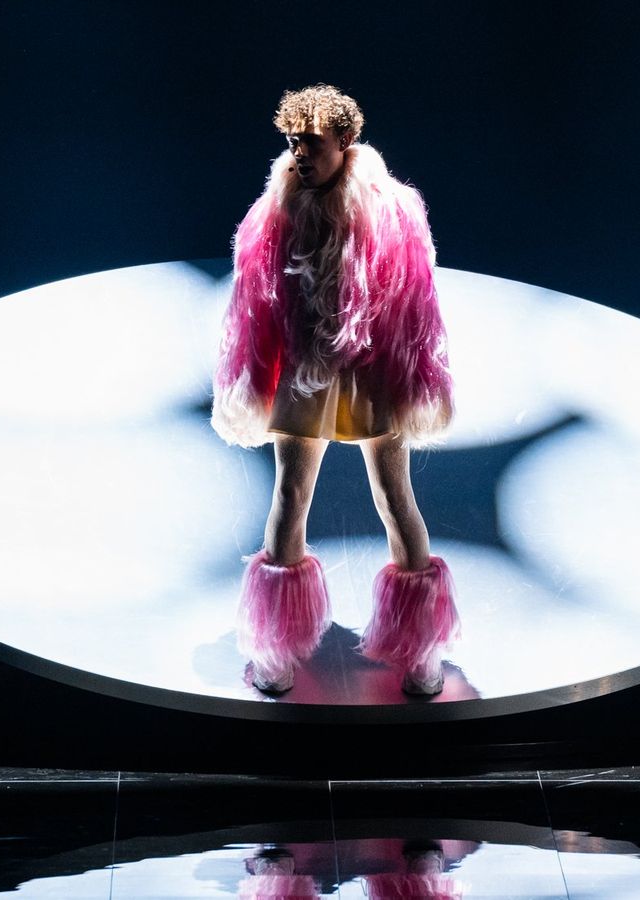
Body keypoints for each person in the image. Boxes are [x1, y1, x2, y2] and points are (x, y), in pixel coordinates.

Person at [211, 84, 459, 696]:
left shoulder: (391, 208)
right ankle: (276, 647)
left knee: (395, 496)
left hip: (371, 371)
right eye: (292, 143)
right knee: (291, 496)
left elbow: (414, 303)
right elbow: (257, 300)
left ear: (344, 142)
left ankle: (420, 647)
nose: (298, 153)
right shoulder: (278, 207)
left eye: (310, 143)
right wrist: (259, 375)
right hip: (304, 371)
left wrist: (408, 375)